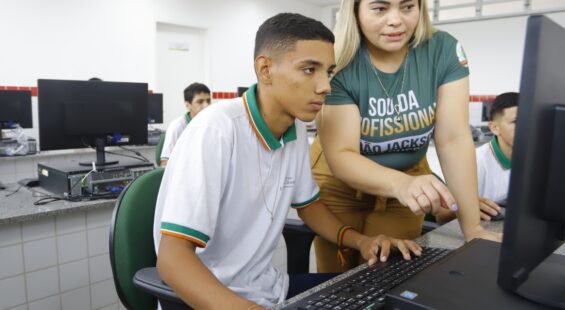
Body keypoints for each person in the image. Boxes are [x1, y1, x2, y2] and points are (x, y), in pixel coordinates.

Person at [153, 13, 421, 309]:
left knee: (385, 291)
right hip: (211, 297)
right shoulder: (216, 131)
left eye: (328, 72)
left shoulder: (294, 128)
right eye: (309, 70)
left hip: (268, 290)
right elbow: (172, 260)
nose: (325, 86)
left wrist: (362, 242)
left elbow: (309, 205)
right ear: (265, 69)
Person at [310, 0, 501, 272]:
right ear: (355, 11)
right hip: (340, 183)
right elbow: (342, 155)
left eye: (407, 7)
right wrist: (400, 185)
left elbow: (453, 138)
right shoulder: (339, 60)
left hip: (407, 177)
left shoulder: (443, 50)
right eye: (380, 8)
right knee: (338, 277)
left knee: (388, 269)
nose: (396, 20)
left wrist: (472, 227)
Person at [475, 92, 517, 220]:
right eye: (516, 121)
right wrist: (464, 207)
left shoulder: (538, 158)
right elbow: (442, 214)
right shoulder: (475, 161)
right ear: (494, 128)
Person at [158, 82, 211, 166]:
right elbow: (165, 162)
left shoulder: (212, 124)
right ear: (188, 105)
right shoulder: (177, 126)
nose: (206, 105)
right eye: (200, 102)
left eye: (208, 101)